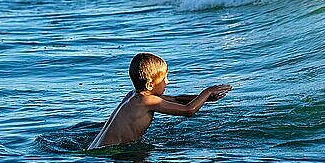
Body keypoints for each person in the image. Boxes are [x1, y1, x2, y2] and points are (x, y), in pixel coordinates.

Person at [88, 52, 232, 149]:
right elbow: (188, 110)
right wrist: (207, 91)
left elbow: (175, 99)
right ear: (150, 84)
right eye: (164, 79)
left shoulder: (135, 95)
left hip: (96, 148)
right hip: (112, 153)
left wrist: (206, 98)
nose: (167, 82)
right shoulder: (146, 101)